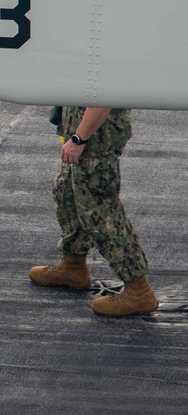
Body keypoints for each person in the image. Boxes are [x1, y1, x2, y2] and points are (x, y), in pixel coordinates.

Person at [29, 107, 158, 316]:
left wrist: (80, 139)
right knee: (66, 192)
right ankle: (73, 266)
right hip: (81, 127)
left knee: (99, 210)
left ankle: (139, 289)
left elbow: (102, 96)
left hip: (97, 134)